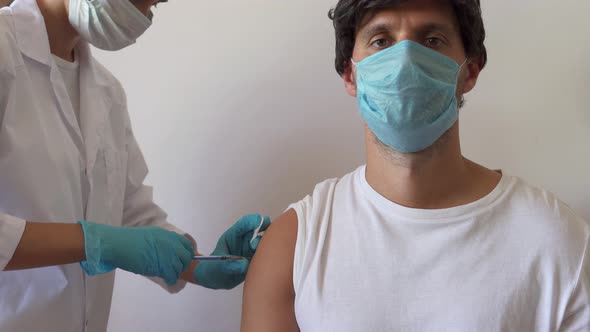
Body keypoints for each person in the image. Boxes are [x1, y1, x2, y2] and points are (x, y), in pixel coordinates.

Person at [241, 0, 590, 331]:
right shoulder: (293, 245)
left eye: (432, 40)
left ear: (469, 71)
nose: (405, 59)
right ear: (350, 74)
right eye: (381, 41)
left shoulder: (558, 243)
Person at [0, 0, 270, 330]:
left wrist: (200, 264)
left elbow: (129, 214)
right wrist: (93, 242)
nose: (156, 4)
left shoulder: (107, 91)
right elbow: (114, 238)